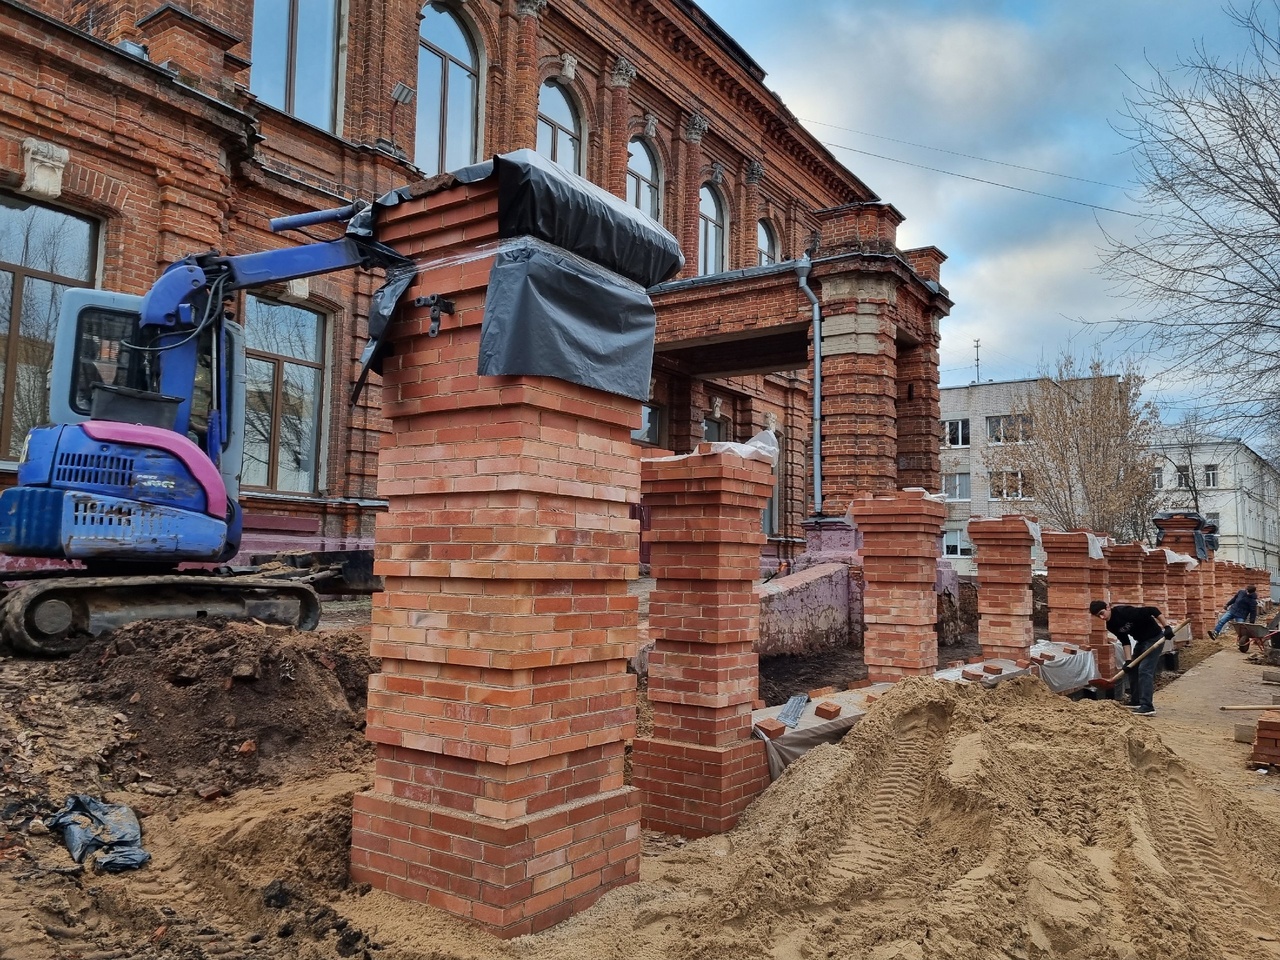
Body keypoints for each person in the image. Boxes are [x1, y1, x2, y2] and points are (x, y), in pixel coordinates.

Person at [1089, 599, 1174, 717]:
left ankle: (1147, 706)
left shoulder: (1125, 612)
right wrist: (1128, 660)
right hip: (1141, 641)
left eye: (1102, 613)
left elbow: (1153, 610)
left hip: (1154, 638)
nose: (1102, 617)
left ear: (1108, 607)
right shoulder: (1111, 624)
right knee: (1132, 668)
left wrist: (1167, 627)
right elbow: (1125, 641)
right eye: (1099, 616)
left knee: (1145, 670)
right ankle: (1137, 700)